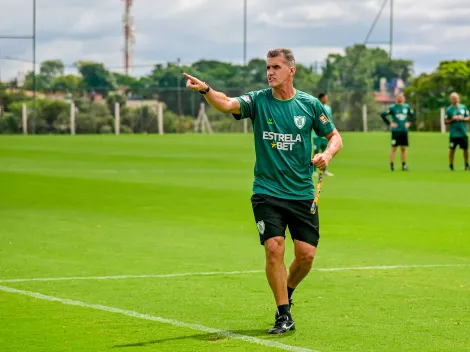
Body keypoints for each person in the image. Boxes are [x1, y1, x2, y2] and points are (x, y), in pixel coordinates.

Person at [183, 48, 343, 334]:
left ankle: (287, 293)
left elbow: (334, 136)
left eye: (276, 67)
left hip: (302, 192)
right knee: (274, 248)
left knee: (306, 256)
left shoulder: (309, 105)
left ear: (291, 71)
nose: (270, 72)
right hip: (267, 191)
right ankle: (283, 314)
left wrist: (327, 155)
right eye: (268, 67)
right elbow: (227, 104)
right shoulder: (258, 100)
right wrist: (206, 89)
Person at [380, 92, 415, 171]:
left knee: (403, 148)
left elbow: (412, 115)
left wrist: (409, 123)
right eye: (398, 97)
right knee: (394, 148)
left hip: (404, 130)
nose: (400, 98)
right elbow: (383, 115)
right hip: (396, 131)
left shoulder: (407, 107)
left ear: (404, 98)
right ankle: (392, 165)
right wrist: (390, 123)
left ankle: (404, 165)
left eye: (401, 97)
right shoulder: (392, 108)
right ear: (396, 98)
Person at [445, 92, 470, 171]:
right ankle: (451, 165)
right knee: (452, 150)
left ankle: (466, 164)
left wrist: (462, 118)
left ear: (458, 98)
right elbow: (445, 122)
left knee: (465, 149)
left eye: (455, 98)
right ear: (450, 100)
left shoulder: (463, 107)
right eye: (453, 99)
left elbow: (468, 118)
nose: (455, 100)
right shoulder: (449, 110)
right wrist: (453, 119)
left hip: (463, 132)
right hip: (454, 134)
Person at [313, 93, 334, 176]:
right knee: (316, 152)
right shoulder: (316, 106)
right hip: (316, 135)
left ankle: (324, 170)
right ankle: (313, 170)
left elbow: (329, 121)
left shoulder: (328, 108)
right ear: (321, 98)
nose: (327, 99)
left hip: (325, 136)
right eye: (325, 98)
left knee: (325, 152)